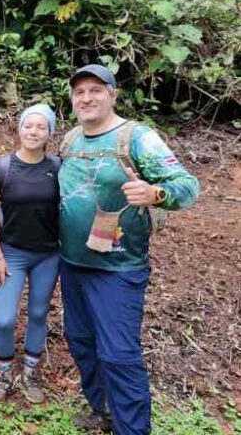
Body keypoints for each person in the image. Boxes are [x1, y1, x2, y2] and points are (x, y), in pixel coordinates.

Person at [59, 64, 200, 434]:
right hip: (72, 264)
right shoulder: (71, 140)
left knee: (118, 355)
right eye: (79, 92)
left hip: (119, 270)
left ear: (113, 94)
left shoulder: (137, 137)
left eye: (95, 90)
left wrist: (157, 194)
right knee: (81, 342)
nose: (86, 98)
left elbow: (187, 185)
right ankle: (102, 409)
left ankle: (132, 429)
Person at [0, 104, 61, 403]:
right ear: (19, 128)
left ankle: (29, 373)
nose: (33, 131)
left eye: (41, 127)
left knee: (39, 312)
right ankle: (3, 371)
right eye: (29, 125)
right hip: (11, 253)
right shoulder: (2, 167)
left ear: (49, 133)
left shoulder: (57, 167)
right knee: (4, 318)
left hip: (48, 254)